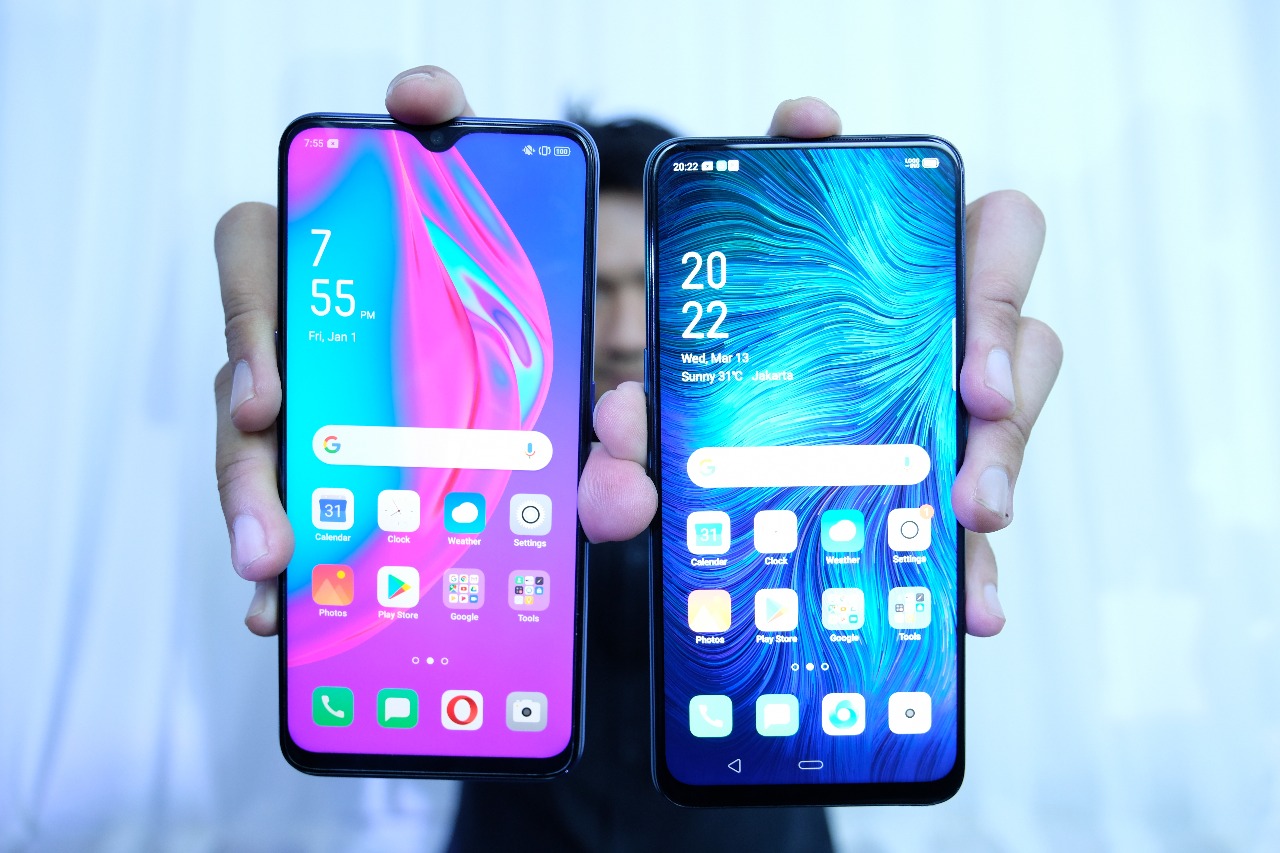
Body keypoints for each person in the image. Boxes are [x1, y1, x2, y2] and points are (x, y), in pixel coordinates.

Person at [213, 65, 1062, 851]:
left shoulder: (792, 429)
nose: (624, 333)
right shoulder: (488, 441)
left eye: (652, 289)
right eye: (597, 291)